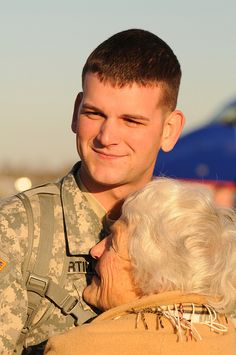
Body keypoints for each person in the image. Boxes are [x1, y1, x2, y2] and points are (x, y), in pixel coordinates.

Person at [0, 29, 185, 354]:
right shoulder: (17, 232)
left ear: (169, 130)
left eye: (132, 121)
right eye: (94, 113)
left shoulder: (191, 239)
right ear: (76, 111)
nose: (107, 135)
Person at [45, 178, 236, 355]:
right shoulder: (228, 339)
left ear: (155, 273)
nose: (95, 250)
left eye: (112, 243)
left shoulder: (79, 348)